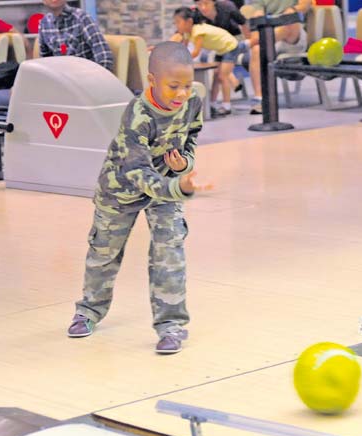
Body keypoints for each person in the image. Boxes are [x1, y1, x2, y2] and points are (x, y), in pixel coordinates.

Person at [67, 41, 211, 355]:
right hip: (122, 188)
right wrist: (179, 188)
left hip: (165, 185)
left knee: (169, 252)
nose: (181, 94)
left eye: (187, 85)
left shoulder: (193, 101)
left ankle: (171, 326)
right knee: (105, 252)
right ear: (152, 81)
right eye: (173, 86)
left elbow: (192, 136)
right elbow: (137, 172)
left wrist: (184, 163)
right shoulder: (137, 115)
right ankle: (89, 310)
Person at [172, 7, 247, 116]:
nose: (176, 25)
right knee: (216, 77)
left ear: (189, 22)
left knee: (223, 76)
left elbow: (196, 52)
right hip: (221, 50)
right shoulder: (188, 33)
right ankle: (212, 104)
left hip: (230, 46)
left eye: (178, 22)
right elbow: (185, 48)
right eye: (175, 23)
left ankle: (227, 106)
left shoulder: (198, 31)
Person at [246, 0, 310, 114]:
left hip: (292, 37)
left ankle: (252, 43)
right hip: (273, 36)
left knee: (290, 20)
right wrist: (257, 14)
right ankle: (260, 99)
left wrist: (293, 9)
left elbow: (305, 5)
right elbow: (257, 9)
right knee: (257, 50)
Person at [38, 0, 113, 72]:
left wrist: (99, 79)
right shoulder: (44, 24)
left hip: (86, 77)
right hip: (61, 81)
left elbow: (104, 55)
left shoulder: (81, 17)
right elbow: (45, 63)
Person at [194, 0, 249, 95]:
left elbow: (243, 22)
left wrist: (249, 41)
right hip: (216, 44)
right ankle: (232, 81)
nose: (203, 7)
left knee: (217, 64)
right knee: (204, 56)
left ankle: (231, 82)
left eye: (206, 3)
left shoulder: (227, 7)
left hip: (234, 39)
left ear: (213, 2)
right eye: (199, 4)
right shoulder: (197, 14)